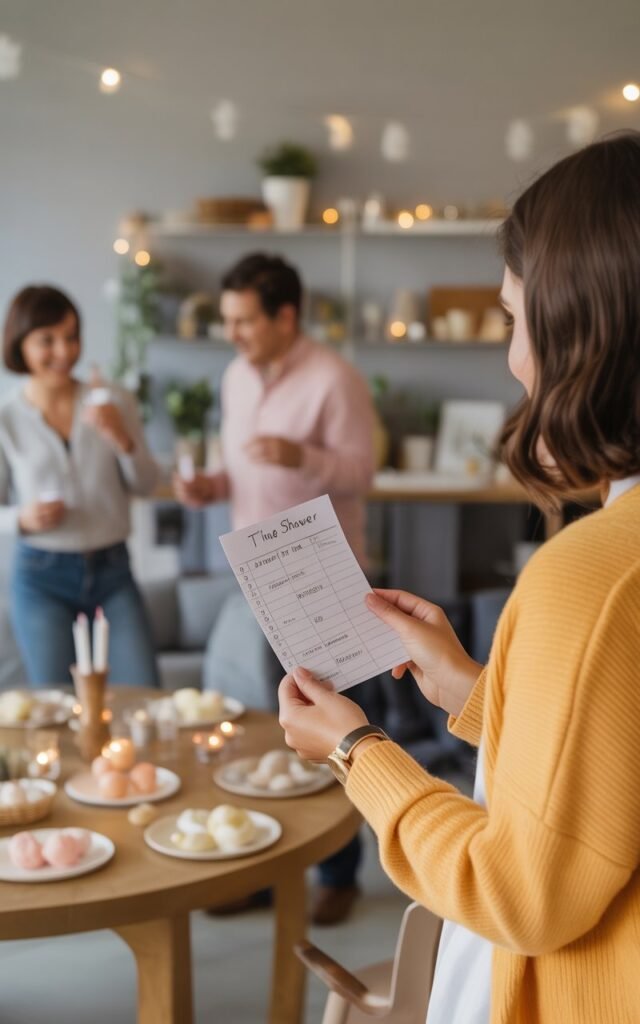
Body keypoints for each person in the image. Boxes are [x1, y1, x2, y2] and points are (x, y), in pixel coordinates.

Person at [278, 132, 640, 1022]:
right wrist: (477, 691)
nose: (512, 356)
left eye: (515, 320)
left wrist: (360, 754)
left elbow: (521, 890)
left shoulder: (595, 575)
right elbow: (606, 782)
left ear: (582, 326)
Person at [174, 252, 377, 924]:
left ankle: (340, 873)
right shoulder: (235, 377)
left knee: (331, 730)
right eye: (227, 320)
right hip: (249, 580)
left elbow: (361, 474)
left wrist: (304, 458)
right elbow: (242, 473)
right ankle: (264, 866)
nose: (231, 333)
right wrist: (211, 488)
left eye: (244, 321)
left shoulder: (334, 379)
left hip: (319, 583)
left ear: (285, 316)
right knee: (258, 730)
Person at [0, 285, 160, 687]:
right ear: (20, 344)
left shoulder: (112, 402)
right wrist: (22, 518)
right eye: (47, 340)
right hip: (41, 577)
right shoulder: (7, 417)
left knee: (143, 695)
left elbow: (147, 483)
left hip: (113, 571)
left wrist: (122, 439)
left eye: (72, 337)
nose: (64, 351)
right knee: (55, 708)